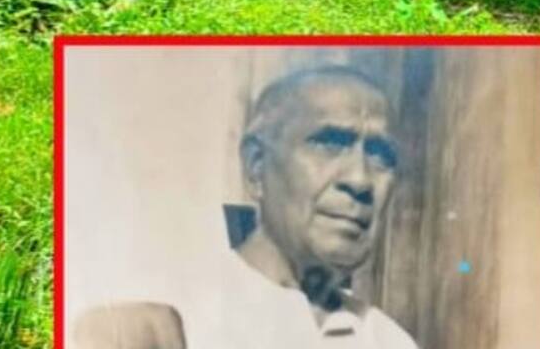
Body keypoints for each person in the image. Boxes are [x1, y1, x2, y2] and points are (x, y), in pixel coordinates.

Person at [73, 66, 421, 349]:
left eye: (380, 155)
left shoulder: (388, 340)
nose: (359, 180)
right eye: (329, 143)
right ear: (256, 166)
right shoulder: (157, 319)